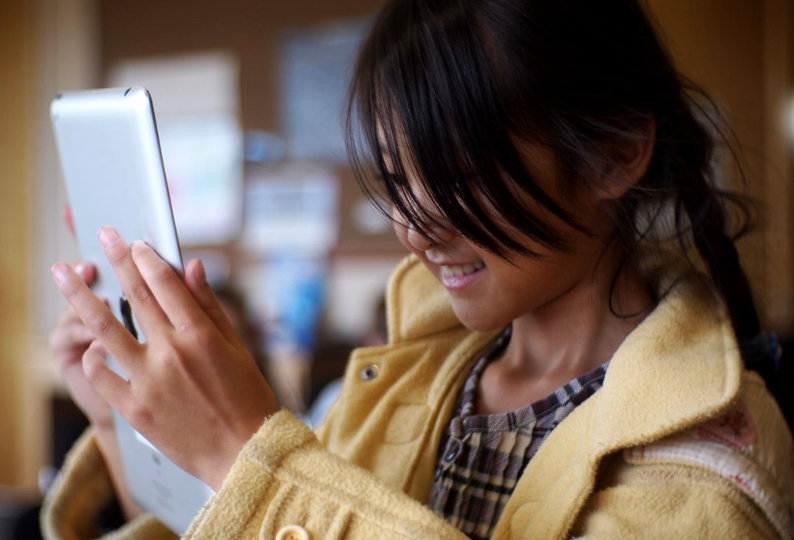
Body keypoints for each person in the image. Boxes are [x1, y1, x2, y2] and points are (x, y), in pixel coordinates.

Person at [42, 0, 793, 538]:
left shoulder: (710, 457)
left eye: (459, 177)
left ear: (616, 154)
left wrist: (245, 455)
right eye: (397, 185)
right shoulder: (409, 378)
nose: (414, 230)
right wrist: (123, 429)